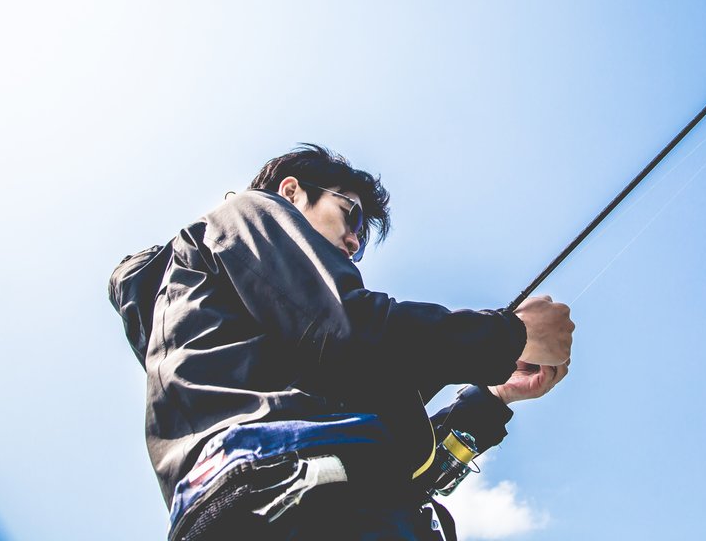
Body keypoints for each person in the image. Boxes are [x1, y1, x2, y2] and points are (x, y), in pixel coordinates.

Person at [109, 144, 574, 540]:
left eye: (361, 238)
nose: (353, 243)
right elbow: (353, 331)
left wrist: (492, 398)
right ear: (290, 193)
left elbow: (393, 442)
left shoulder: (265, 345)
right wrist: (512, 335)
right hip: (300, 500)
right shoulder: (246, 214)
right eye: (349, 215)